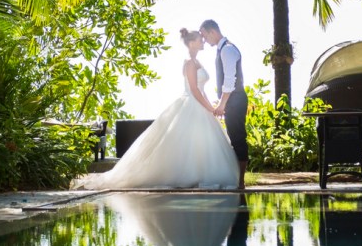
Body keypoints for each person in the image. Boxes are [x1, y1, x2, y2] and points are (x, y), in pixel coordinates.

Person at [74, 28, 240, 190]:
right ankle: (186, 176)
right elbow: (194, 90)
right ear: (191, 43)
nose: (203, 41)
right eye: (199, 39)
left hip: (201, 105)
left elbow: (202, 90)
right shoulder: (189, 63)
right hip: (191, 103)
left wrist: (211, 107)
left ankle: (202, 174)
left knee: (201, 143)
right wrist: (211, 108)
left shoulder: (198, 62)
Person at [199, 19, 249, 188]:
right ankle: (237, 179)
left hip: (235, 100)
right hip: (231, 100)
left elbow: (230, 80)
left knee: (238, 138)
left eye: (205, 36)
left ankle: (241, 181)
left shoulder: (227, 50)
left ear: (212, 31)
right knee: (234, 138)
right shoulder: (222, 50)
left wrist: (222, 104)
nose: (205, 40)